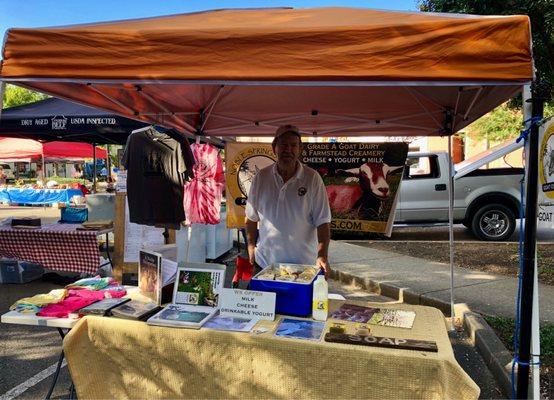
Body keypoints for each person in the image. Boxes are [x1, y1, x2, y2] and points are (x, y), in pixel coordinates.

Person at [245, 125, 332, 277]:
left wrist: (322, 255)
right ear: (274, 147)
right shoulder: (261, 177)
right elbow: (251, 218)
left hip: (303, 267)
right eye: (283, 145)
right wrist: (251, 247)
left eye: (293, 145)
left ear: (300, 149)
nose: (288, 150)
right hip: (266, 265)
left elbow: (323, 221)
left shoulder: (312, 178)